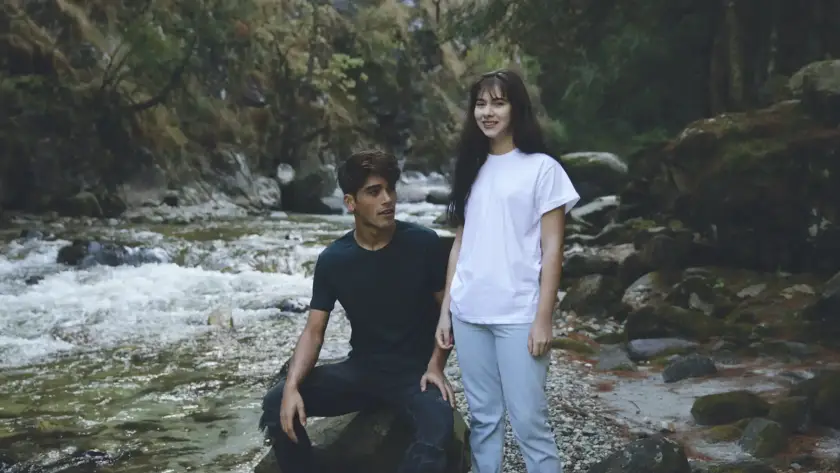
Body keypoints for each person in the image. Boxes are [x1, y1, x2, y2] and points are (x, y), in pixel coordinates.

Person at [259, 149, 457, 473]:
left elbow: (449, 313)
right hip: (362, 371)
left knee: (438, 424)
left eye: (390, 189)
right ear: (350, 203)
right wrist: (293, 385)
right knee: (276, 403)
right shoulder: (334, 259)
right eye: (374, 192)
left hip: (414, 376)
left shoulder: (424, 243)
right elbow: (313, 331)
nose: (388, 199)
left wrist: (437, 366)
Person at [435, 69, 580, 473]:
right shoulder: (470, 167)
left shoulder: (542, 169)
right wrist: (447, 310)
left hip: (518, 314)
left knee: (530, 423)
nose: (487, 112)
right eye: (480, 103)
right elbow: (461, 245)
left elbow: (553, 249)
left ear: (517, 108)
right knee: (483, 421)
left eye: (498, 102)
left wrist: (543, 319)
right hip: (469, 314)